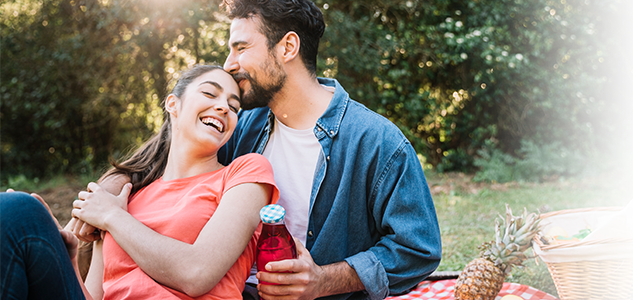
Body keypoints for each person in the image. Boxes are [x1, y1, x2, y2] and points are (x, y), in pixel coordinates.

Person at [75, 1, 441, 299]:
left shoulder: (377, 141)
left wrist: (323, 280)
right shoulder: (242, 123)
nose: (229, 64)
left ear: (287, 47)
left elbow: (417, 248)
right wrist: (101, 198)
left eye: (241, 47)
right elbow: (153, 157)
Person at [3, 64, 280, 299]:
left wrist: (112, 216)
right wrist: (69, 256)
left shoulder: (244, 172)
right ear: (173, 104)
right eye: (209, 93)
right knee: (17, 213)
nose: (223, 108)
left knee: (20, 211)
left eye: (233, 107)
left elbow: (198, 273)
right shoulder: (127, 195)